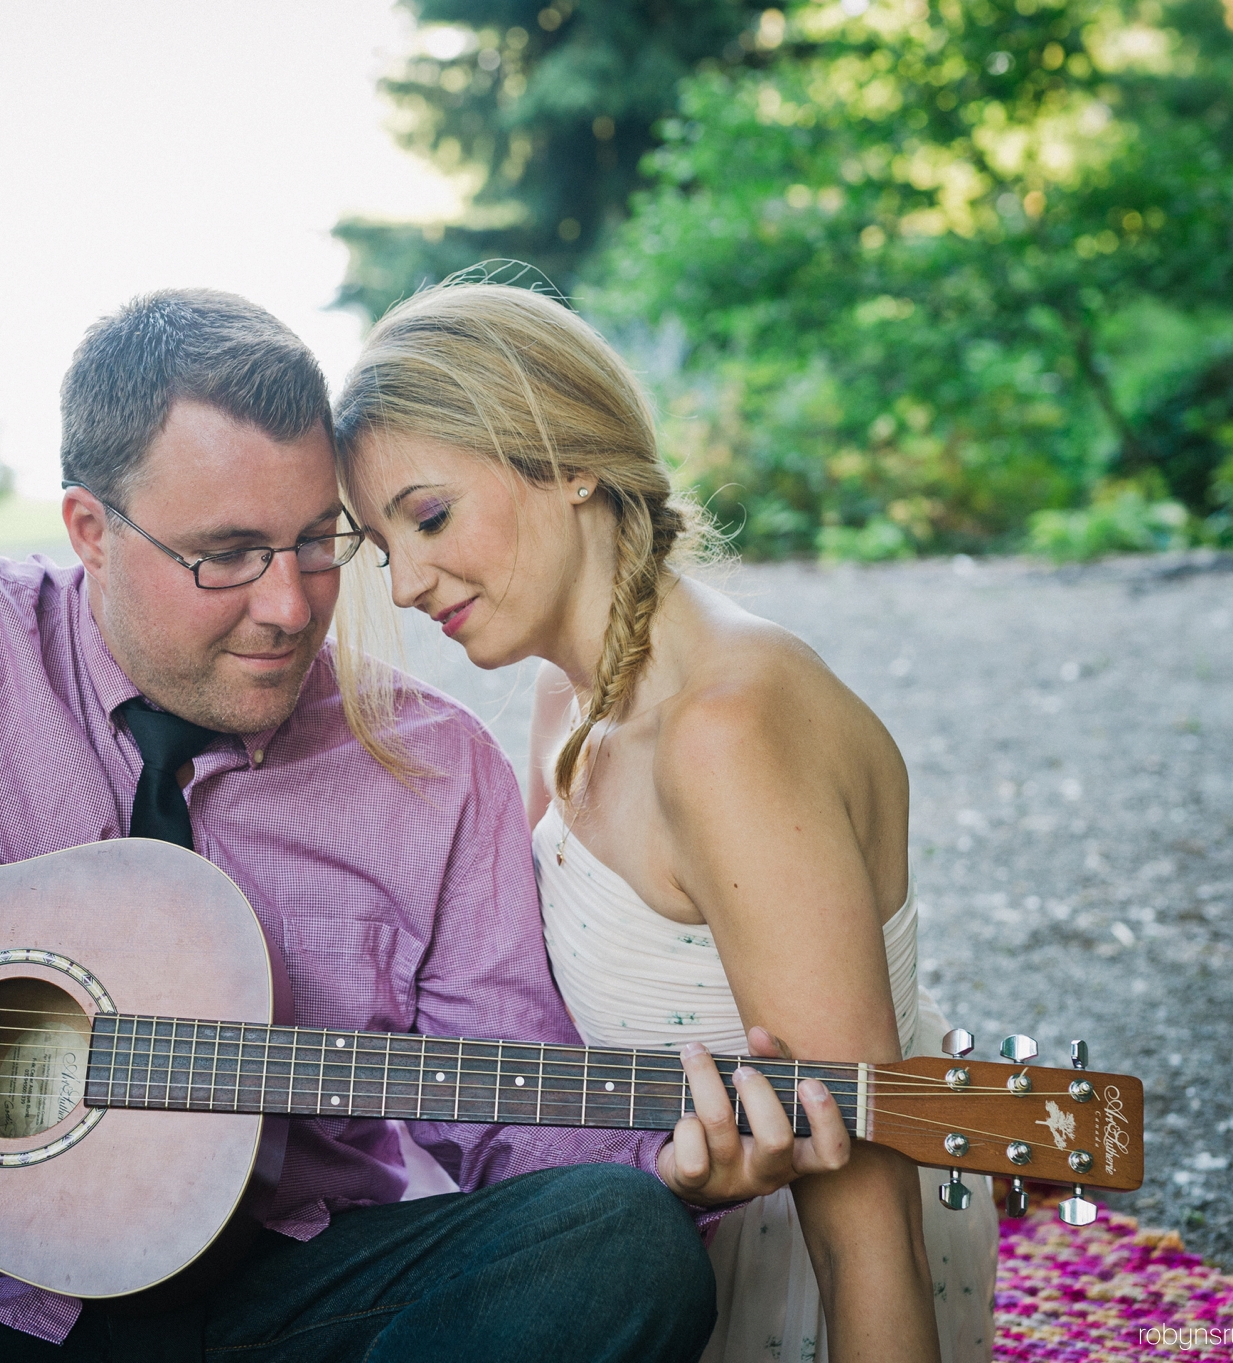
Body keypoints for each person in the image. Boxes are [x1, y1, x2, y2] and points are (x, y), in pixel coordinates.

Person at [0, 288, 853, 1363]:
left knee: (615, 1245)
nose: (292, 602)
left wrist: (677, 1167)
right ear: (90, 529)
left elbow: (510, 1122)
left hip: (287, 1299)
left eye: (318, 539)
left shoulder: (434, 772)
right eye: (225, 555)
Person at [333, 280, 1000, 1363]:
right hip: (654, 1226)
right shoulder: (566, 696)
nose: (404, 582)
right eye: (379, 544)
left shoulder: (724, 738)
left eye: (429, 516)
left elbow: (864, 1212)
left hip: (792, 1284)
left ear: (571, 461)